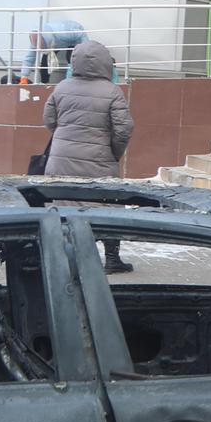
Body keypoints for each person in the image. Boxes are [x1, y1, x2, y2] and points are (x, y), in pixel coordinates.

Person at [44, 39, 137, 274]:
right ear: (106, 64)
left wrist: (65, 140)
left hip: (60, 160)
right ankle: (112, 259)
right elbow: (123, 129)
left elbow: (49, 120)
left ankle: (66, 259)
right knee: (109, 206)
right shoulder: (112, 91)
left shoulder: (61, 87)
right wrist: (114, 152)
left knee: (65, 205)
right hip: (98, 160)